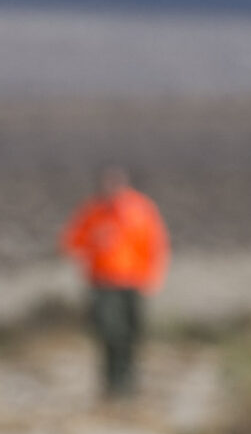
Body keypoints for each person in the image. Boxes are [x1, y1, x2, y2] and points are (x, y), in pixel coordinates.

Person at [60, 168, 169, 399]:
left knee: (132, 335)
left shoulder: (142, 209)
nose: (112, 189)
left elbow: (156, 245)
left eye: (116, 184)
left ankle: (129, 385)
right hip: (103, 283)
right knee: (109, 333)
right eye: (107, 184)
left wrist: (153, 278)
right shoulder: (92, 211)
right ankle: (111, 386)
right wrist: (94, 240)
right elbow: (69, 243)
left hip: (134, 282)